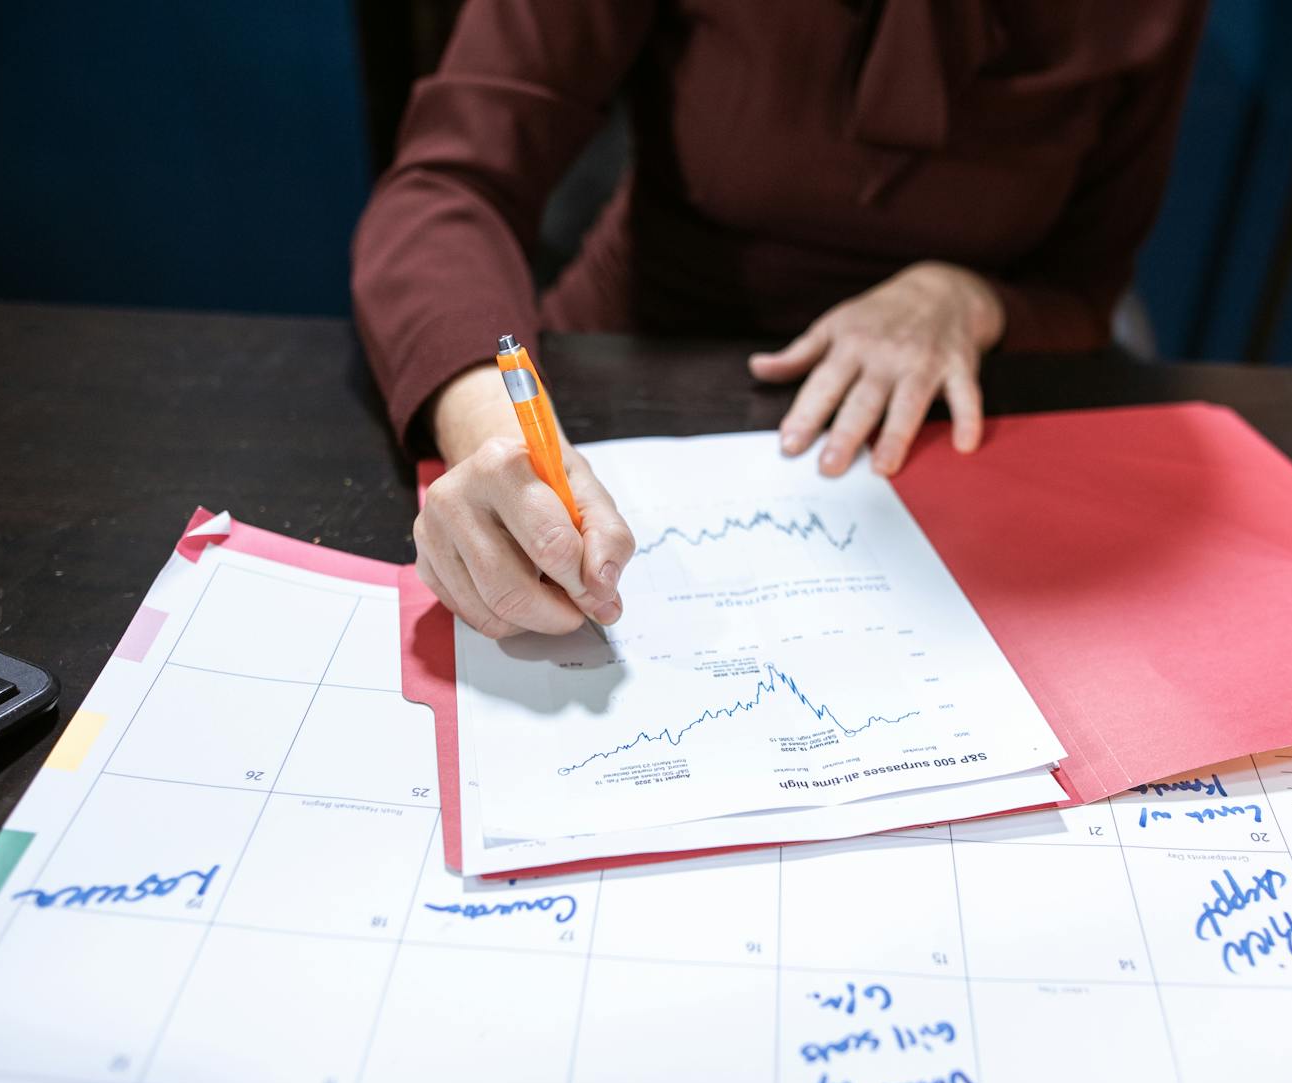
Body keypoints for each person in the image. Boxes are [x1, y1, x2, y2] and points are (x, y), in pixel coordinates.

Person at [355, 0, 1206, 639]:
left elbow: (1089, 282)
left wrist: (973, 300)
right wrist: (490, 434)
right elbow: (450, 184)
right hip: (628, 370)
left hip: (945, 430)